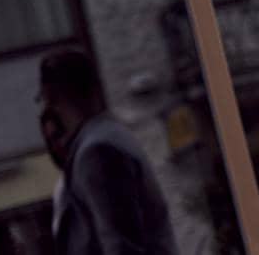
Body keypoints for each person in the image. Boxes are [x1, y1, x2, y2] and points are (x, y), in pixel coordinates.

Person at [37, 47, 180, 255]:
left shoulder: (97, 151)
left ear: (50, 96)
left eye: (42, 99)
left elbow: (122, 245)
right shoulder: (111, 136)